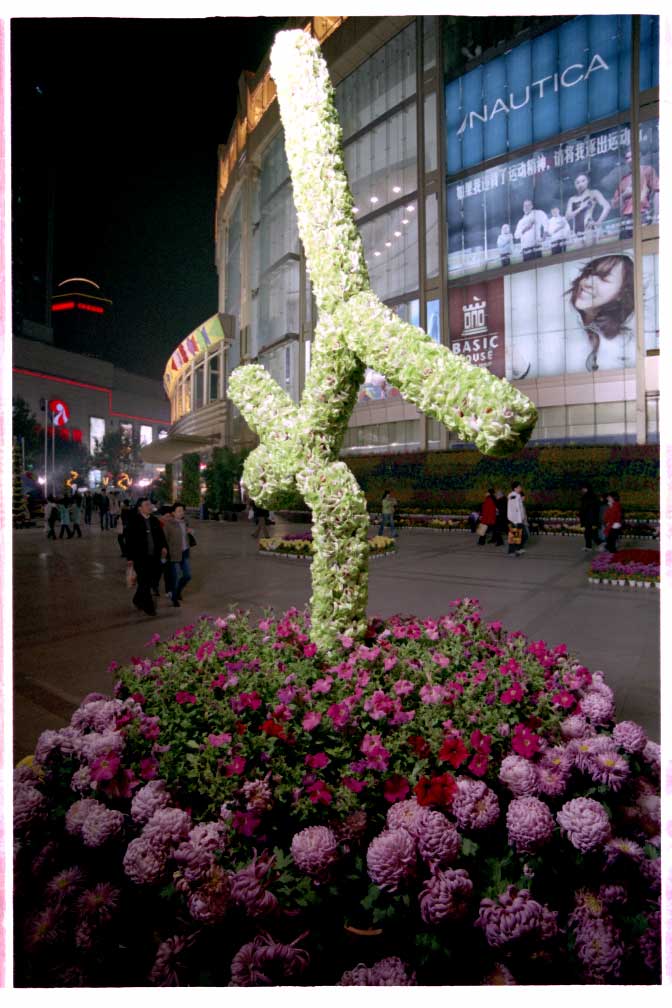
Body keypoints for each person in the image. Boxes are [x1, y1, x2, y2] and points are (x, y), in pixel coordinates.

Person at [567, 254, 635, 373]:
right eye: (587, 274)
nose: (587, 282)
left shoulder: (624, 346)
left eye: (603, 278)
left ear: (621, 293)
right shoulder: (562, 323)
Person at [125, 497, 168, 616]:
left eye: (150, 504)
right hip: (140, 557)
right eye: (146, 505)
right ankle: (149, 607)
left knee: (151, 580)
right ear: (140, 508)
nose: (150, 506)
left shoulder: (154, 520)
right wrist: (129, 558)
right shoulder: (134, 521)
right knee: (144, 582)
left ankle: (137, 599)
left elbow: (161, 536)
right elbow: (129, 541)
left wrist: (164, 547)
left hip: (154, 557)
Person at [611, 148, 659, 239]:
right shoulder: (624, 180)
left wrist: (656, 217)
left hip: (642, 214)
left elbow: (657, 191)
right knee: (626, 248)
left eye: (632, 157)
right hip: (626, 219)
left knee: (644, 243)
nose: (630, 160)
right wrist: (625, 194)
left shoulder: (647, 170)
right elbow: (614, 204)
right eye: (627, 158)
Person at [163, 502, 193, 607]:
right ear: (173, 513)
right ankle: (174, 597)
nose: (181, 513)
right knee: (175, 577)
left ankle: (178, 591)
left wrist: (190, 532)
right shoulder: (168, 524)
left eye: (182, 511)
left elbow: (186, 537)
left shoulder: (185, 522)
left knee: (187, 576)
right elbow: (164, 540)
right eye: (179, 511)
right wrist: (164, 553)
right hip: (173, 554)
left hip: (184, 553)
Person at [565, 173, 610, 240]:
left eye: (583, 181)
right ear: (575, 185)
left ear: (587, 181)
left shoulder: (593, 193)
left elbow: (607, 206)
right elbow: (567, 217)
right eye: (577, 182)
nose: (580, 184)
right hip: (576, 233)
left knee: (592, 249)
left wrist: (598, 222)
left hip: (589, 229)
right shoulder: (572, 199)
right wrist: (581, 208)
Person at [506, 482, 528, 556]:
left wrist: (522, 519)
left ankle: (519, 549)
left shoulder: (517, 496)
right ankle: (511, 551)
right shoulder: (513, 496)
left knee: (523, 535)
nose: (520, 488)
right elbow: (513, 510)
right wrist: (514, 521)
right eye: (519, 487)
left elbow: (519, 509)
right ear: (515, 488)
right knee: (514, 536)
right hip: (514, 520)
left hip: (519, 520)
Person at [578, 484, 600, 551]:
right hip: (591, 518)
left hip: (589, 518)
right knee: (590, 533)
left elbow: (585, 508)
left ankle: (597, 544)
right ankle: (590, 546)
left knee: (589, 533)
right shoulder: (592, 496)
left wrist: (581, 514)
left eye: (583, 488)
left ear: (586, 489)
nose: (582, 490)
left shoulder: (587, 497)